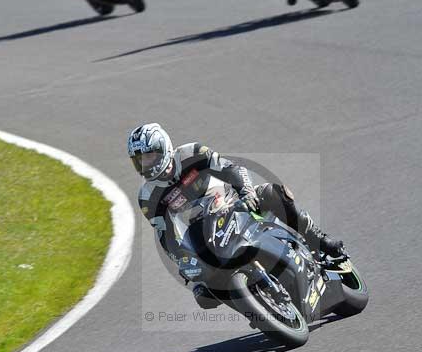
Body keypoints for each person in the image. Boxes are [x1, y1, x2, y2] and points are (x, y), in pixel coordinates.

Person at [128, 122, 344, 307]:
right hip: (201, 234)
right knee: (203, 295)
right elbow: (166, 236)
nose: (146, 164)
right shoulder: (147, 197)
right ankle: (254, 306)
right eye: (140, 160)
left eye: (149, 156)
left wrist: (247, 192)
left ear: (164, 148)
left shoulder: (191, 153)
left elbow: (232, 169)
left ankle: (319, 240)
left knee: (273, 193)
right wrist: (184, 261)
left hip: (231, 203)